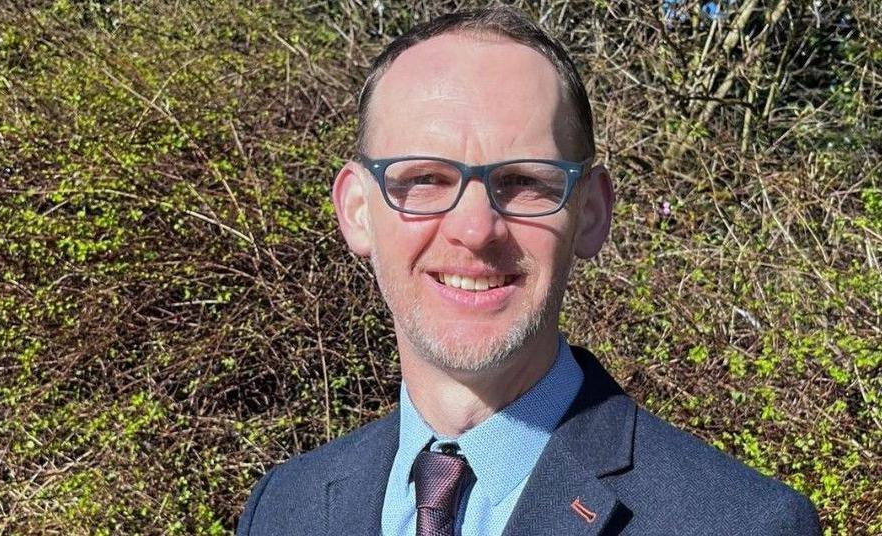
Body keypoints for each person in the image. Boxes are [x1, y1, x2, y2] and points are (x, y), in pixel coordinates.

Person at [237, 7, 820, 536]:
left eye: (523, 181)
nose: (475, 228)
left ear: (590, 214)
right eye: (424, 179)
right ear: (358, 212)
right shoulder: (285, 507)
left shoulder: (743, 523)